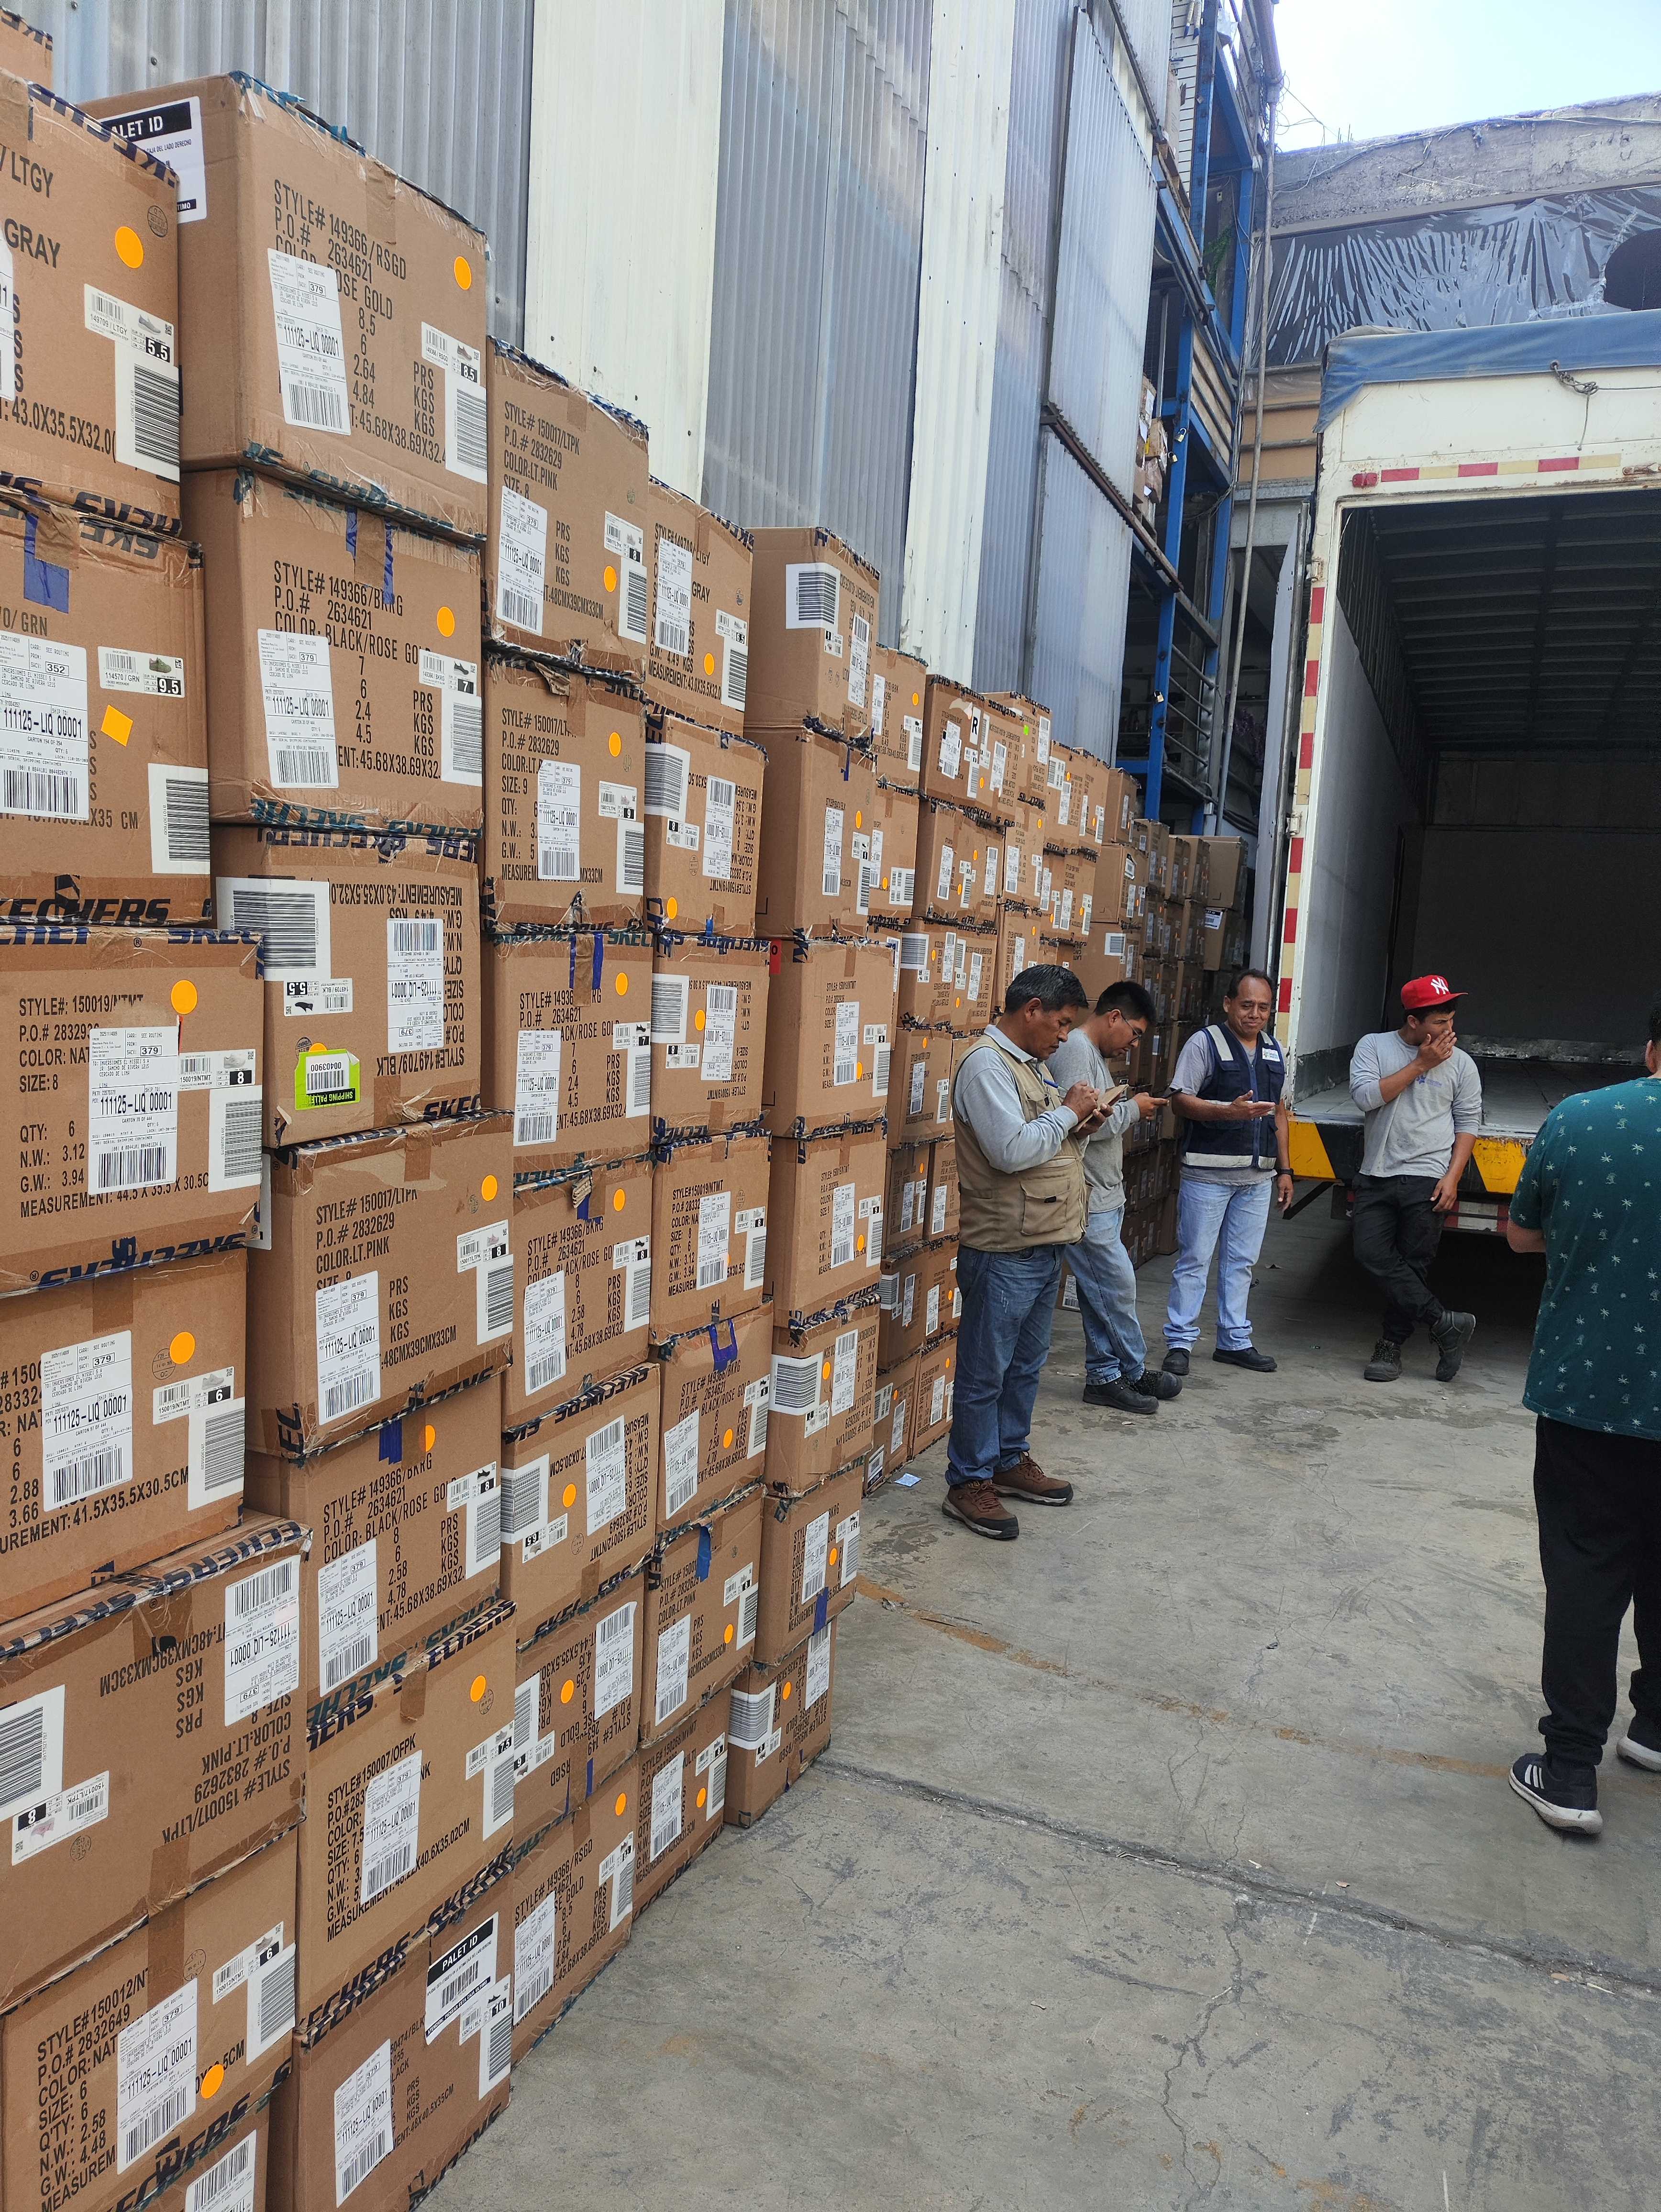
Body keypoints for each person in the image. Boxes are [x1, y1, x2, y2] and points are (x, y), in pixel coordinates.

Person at [1502, 996, 1661, 1838]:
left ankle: (1568, 1769)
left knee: (1587, 1574)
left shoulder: (1580, 1119)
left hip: (1590, 1396)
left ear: (1651, 1048)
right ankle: (1656, 1726)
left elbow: (1521, 1235)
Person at [942, 965, 1110, 1541]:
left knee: (1024, 1368)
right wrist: (1068, 1112)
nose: (1064, 1037)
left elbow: (1043, 1140)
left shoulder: (1029, 1064)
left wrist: (1079, 1124)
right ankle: (968, 1480)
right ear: (1031, 1009)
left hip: (1041, 1242)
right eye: (1060, 1024)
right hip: (1003, 1249)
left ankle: (1008, 1458)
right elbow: (1011, 1150)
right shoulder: (985, 1065)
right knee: (985, 1374)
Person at [1048, 980, 1180, 1415]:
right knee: (1117, 1287)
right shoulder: (1076, 1051)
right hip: (1087, 1197)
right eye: (1135, 1034)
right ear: (1114, 1017)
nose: (1134, 1045)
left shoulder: (1091, 1054)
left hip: (1105, 1194)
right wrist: (1134, 1109)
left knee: (1100, 1292)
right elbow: (1080, 1122)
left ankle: (1106, 1376)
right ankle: (1134, 1369)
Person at [1348, 975, 1481, 1383]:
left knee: (1414, 1264)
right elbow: (1365, 1097)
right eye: (1440, 1022)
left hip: (1428, 1175)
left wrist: (1453, 1177)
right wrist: (1421, 1065)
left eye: (1451, 1019)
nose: (1449, 1030)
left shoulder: (1462, 1063)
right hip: (1377, 1172)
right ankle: (1444, 1323)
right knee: (1369, 1253)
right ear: (1413, 1021)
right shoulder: (1374, 1047)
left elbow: (1468, 1122)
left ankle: (1390, 1346)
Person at [1163, 968, 1293, 1376]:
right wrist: (1228, 1112)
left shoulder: (1275, 1050)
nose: (1255, 1015)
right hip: (1208, 1176)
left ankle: (1234, 1341)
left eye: (1263, 1008)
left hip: (1257, 1180)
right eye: (1247, 1005)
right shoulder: (1205, 1043)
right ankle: (1180, 1342)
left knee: (1241, 1263)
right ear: (1228, 1004)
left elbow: (1279, 1113)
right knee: (1195, 1260)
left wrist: (1285, 1170)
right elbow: (1179, 1101)